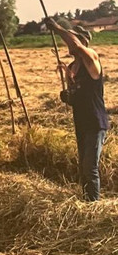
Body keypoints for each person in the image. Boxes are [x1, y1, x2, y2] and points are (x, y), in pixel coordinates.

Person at [45, 17, 110, 201]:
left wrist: (58, 28)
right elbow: (75, 96)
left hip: (95, 122)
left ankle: (93, 206)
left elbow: (77, 46)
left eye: (72, 39)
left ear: (82, 41)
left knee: (90, 166)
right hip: (81, 122)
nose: (69, 44)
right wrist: (68, 94)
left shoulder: (92, 60)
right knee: (83, 167)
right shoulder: (73, 67)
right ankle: (86, 200)